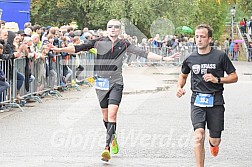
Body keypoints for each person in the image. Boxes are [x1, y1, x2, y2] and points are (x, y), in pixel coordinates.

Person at [50, 19, 180, 162]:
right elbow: (78, 48)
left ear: (120, 30)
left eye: (116, 27)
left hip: (116, 82)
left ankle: (107, 148)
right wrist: (60, 50)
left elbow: (144, 53)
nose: (113, 29)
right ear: (107, 29)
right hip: (101, 83)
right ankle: (112, 136)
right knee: (105, 116)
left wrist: (165, 58)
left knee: (112, 115)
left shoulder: (124, 44)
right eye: (110, 27)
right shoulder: (98, 41)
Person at [176, 24, 238, 167]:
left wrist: (218, 80)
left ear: (209, 39)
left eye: (202, 36)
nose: (199, 39)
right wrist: (179, 87)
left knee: (215, 140)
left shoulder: (220, 56)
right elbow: (183, 75)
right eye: (197, 37)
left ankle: (213, 144)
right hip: (197, 101)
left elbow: (234, 77)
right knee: (198, 136)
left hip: (215, 100)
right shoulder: (190, 58)